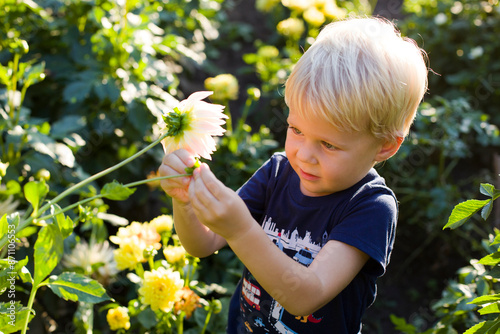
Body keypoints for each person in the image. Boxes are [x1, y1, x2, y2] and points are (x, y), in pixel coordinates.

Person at [159, 16, 428, 334]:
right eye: (296, 129)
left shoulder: (370, 207)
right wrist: (185, 201)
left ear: (384, 146)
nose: (303, 154)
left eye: (328, 144)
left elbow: (306, 297)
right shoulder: (277, 173)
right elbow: (203, 243)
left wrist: (242, 231)